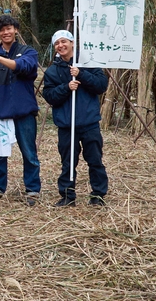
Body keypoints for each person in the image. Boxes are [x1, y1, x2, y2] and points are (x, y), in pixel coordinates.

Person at [41, 30, 109, 207]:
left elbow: (101, 85)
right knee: (68, 162)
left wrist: (81, 74)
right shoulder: (52, 71)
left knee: (94, 159)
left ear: (72, 43)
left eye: (64, 41)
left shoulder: (88, 62)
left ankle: (98, 195)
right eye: (57, 43)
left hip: (89, 122)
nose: (61, 46)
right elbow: (49, 96)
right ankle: (67, 195)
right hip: (66, 124)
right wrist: (66, 87)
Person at [0, 14, 41, 205]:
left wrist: (0, 58)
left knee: (29, 153)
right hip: (1, 111)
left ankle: (32, 189)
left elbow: (25, 66)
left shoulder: (27, 51)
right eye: (1, 30)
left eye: (9, 28)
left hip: (24, 111)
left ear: (15, 30)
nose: (6, 32)